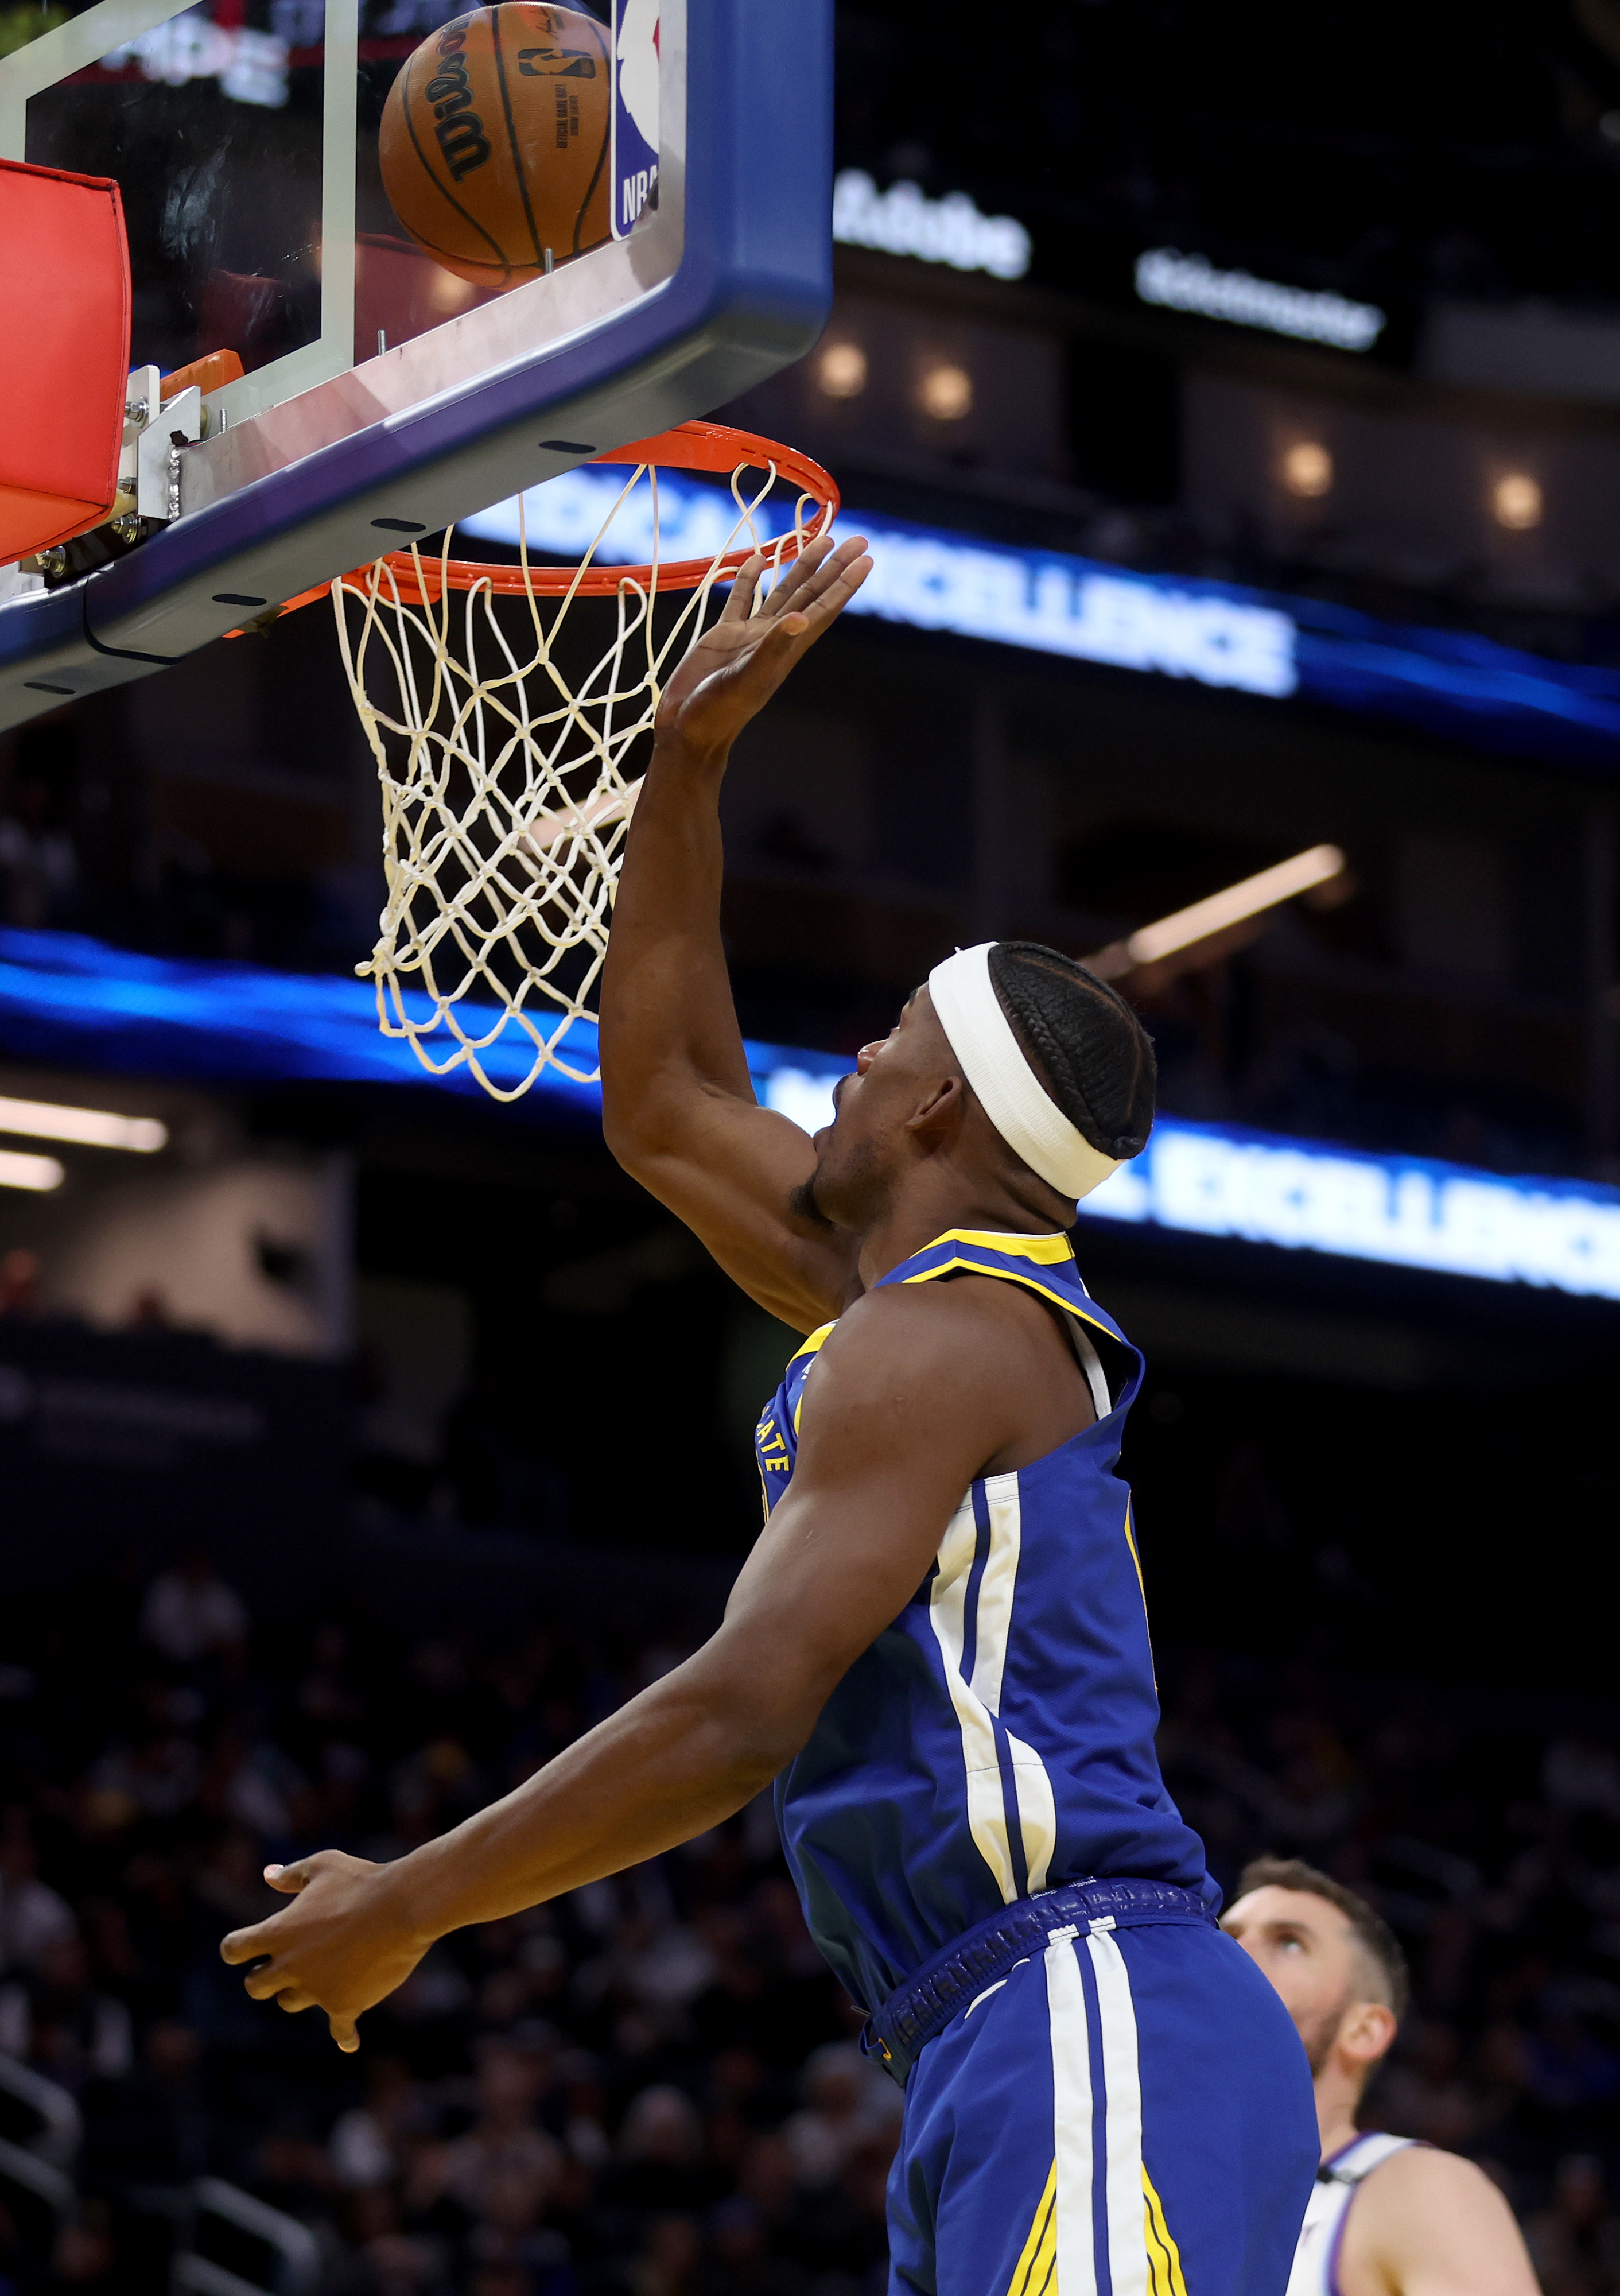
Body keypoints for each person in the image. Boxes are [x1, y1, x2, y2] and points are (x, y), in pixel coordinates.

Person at [220, 531, 1319, 2294]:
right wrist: (687, 759)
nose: (850, 1060)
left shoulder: (939, 1342)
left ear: (946, 1107)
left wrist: (415, 1897)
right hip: (983, 2027)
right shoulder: (902, 1312)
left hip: (1088, 1997)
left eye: (888, 1038)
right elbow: (657, 1097)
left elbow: (740, 1710)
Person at [1224, 1857, 1539, 2296]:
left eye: (1289, 1943)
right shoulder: (1125, 2177)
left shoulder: (1414, 2192)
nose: (1232, 1951)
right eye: (1227, 1935)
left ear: (1362, 2030)